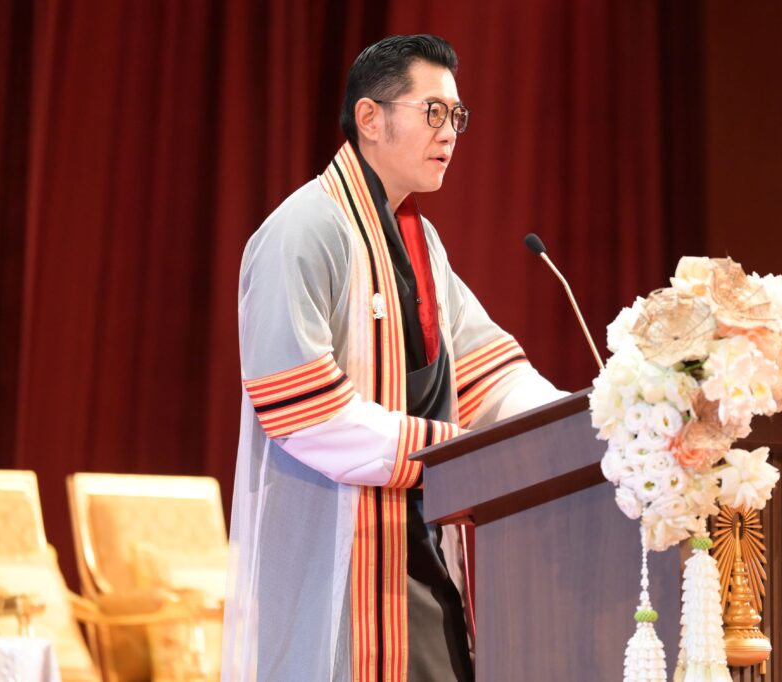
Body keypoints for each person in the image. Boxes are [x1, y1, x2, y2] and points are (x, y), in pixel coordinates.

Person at [220, 34, 565, 681]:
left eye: (457, 116)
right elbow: (304, 414)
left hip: (419, 550)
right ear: (370, 119)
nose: (451, 132)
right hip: (337, 558)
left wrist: (591, 424)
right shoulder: (304, 228)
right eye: (433, 111)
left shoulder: (419, 239)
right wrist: (458, 453)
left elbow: (493, 378)